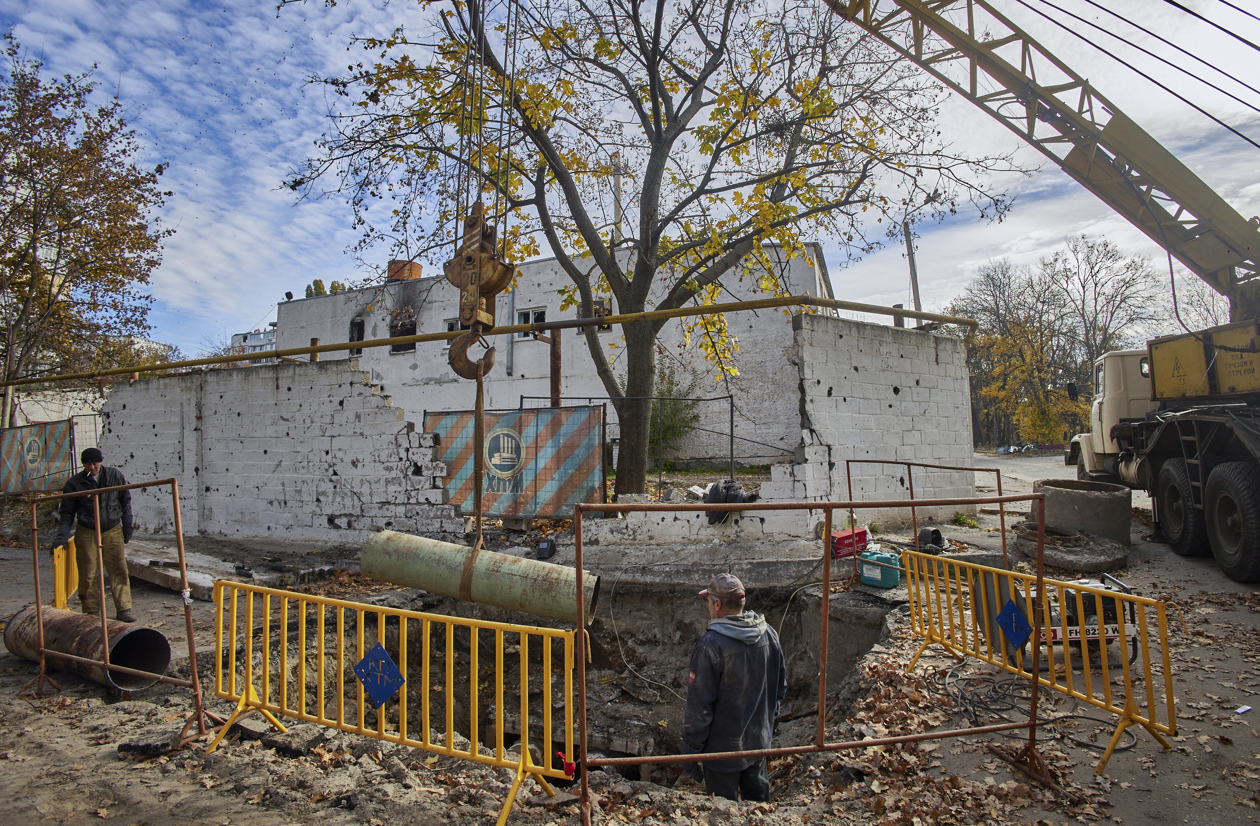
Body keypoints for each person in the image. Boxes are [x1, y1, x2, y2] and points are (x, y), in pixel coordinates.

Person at [681, 573, 787, 802]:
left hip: (722, 754)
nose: (708, 607)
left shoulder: (710, 646)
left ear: (717, 604)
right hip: (759, 745)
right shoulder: (769, 633)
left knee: (723, 812)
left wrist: (691, 751)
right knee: (759, 811)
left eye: (709, 601)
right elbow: (781, 687)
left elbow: (699, 709)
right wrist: (766, 723)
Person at [54, 448, 136, 623]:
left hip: (112, 528)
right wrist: (62, 535)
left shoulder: (115, 476)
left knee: (118, 568)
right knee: (88, 571)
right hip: (86, 530)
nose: (93, 467)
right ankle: (91, 610)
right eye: (88, 464)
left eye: (95, 463)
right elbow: (67, 513)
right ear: (83, 464)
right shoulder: (74, 484)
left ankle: (124, 608)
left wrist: (127, 524)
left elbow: (125, 502)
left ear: (101, 461)